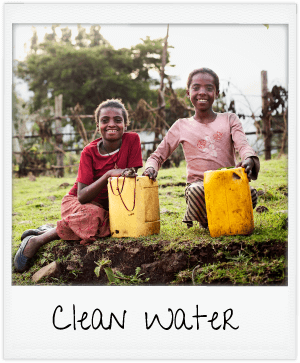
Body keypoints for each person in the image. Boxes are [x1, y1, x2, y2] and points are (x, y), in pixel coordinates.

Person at [14, 99, 143, 272]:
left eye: (118, 120)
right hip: (77, 204)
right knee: (94, 214)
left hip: (112, 207)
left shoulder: (132, 140)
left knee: (117, 225)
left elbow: (130, 178)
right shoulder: (89, 152)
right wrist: (107, 175)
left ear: (125, 125)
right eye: (105, 120)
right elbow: (82, 196)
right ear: (98, 126)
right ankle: (37, 240)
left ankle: (50, 229)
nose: (111, 124)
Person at [143, 68, 259, 229]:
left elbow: (243, 145)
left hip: (228, 182)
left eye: (209, 88)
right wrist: (150, 168)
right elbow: (157, 156)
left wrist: (248, 159)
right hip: (199, 186)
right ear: (188, 93)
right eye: (196, 87)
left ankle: (224, 215)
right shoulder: (181, 125)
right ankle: (209, 219)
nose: (202, 92)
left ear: (217, 93)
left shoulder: (229, 119)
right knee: (197, 192)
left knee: (251, 193)